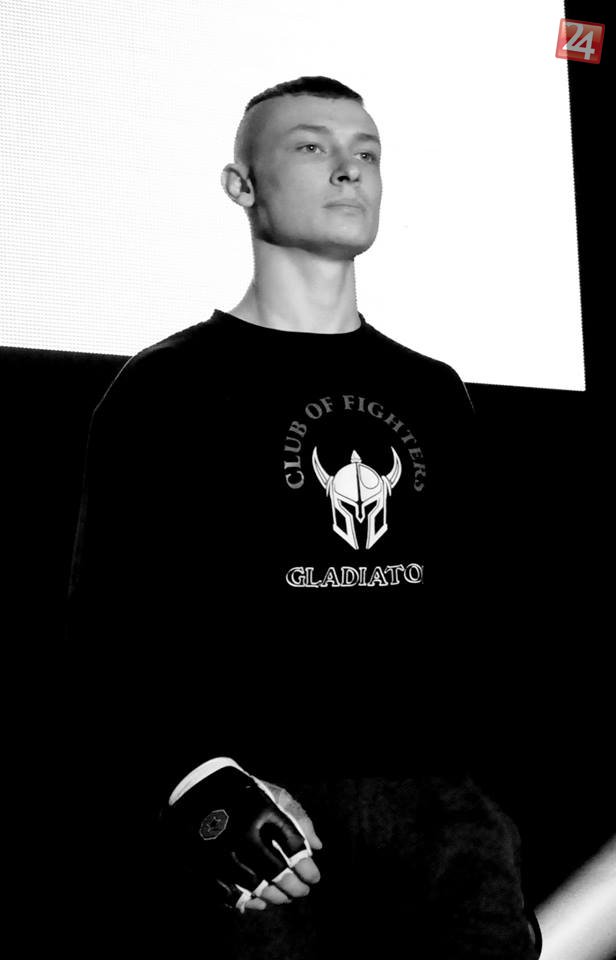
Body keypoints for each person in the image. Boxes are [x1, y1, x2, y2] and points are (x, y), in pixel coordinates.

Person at [65, 76, 540, 958]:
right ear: (241, 185)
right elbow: (108, 624)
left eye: (367, 153)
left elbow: (487, 611)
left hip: (444, 826)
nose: (349, 169)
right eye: (313, 146)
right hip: (270, 823)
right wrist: (198, 785)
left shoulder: (433, 392)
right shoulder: (164, 388)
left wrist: (495, 825)